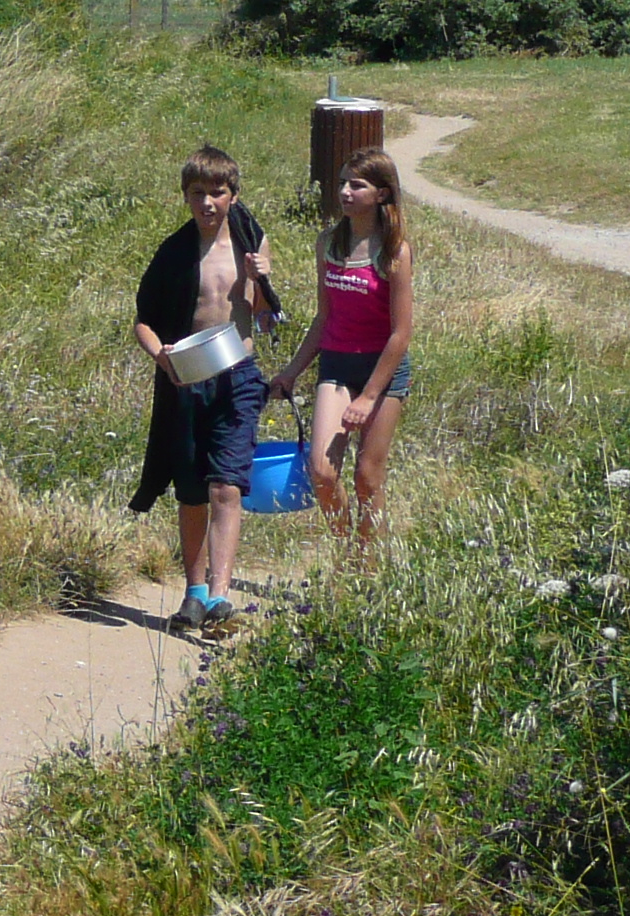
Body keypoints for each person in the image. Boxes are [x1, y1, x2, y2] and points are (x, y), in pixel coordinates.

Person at [131, 145, 281, 631]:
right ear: (186, 197)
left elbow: (265, 318)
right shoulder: (174, 252)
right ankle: (194, 594)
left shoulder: (252, 243)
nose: (208, 202)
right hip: (187, 376)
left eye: (218, 192)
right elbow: (144, 323)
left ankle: (220, 595)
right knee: (191, 492)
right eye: (199, 193)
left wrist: (261, 284)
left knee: (227, 487)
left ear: (234, 196)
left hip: (238, 375)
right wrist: (163, 358)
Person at [271, 150, 417, 558]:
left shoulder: (394, 251)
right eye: (342, 183)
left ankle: (367, 564)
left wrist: (369, 396)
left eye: (357, 184)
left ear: (382, 193)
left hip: (382, 372)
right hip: (336, 364)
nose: (345, 192)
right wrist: (291, 372)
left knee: (367, 477)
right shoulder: (328, 244)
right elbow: (324, 316)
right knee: (321, 472)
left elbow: (401, 334)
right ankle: (347, 553)